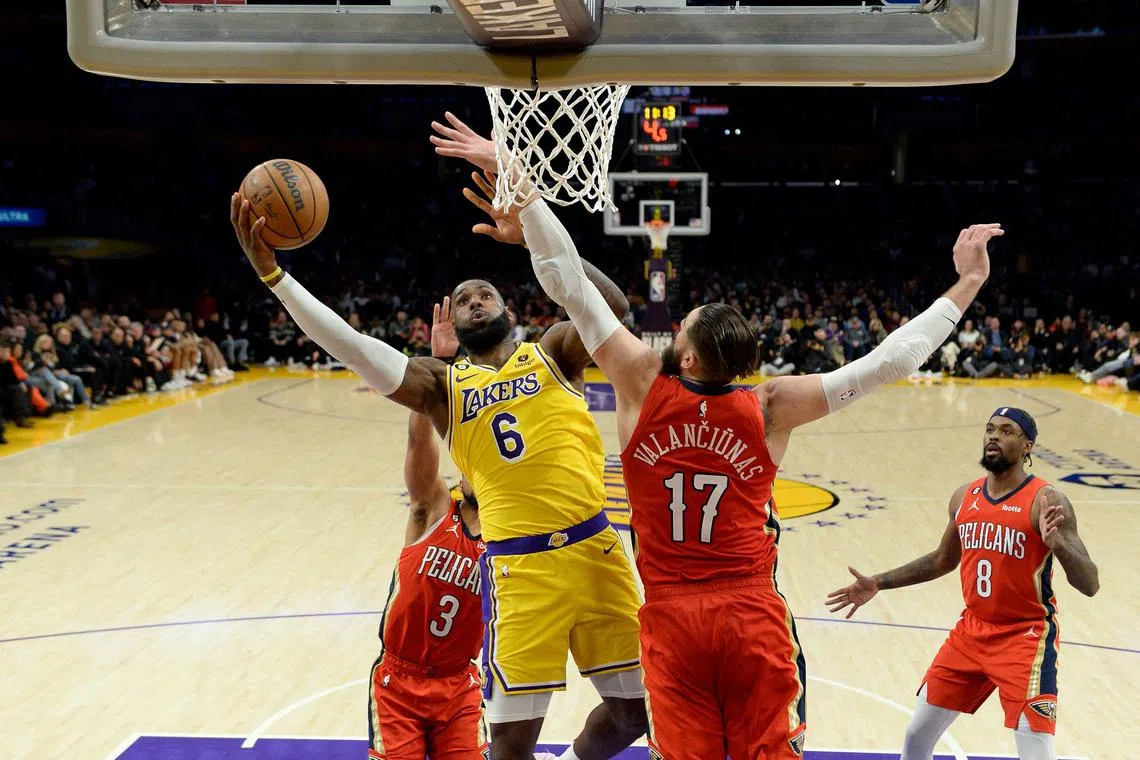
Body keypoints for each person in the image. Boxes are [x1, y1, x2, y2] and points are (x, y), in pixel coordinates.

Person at [468, 164, 1000, 758]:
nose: (674, 329)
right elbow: (888, 362)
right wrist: (968, 283)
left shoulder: (644, 382)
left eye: (683, 328)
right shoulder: (768, 406)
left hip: (672, 616)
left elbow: (568, 282)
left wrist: (526, 192)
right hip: (751, 613)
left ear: (689, 358)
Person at [230, 168, 647, 760]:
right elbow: (352, 345)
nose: (475, 301)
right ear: (453, 320)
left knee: (636, 712)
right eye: (464, 298)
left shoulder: (554, 350)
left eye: (486, 294)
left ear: (510, 308)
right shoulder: (440, 386)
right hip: (519, 566)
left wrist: (532, 236)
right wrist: (276, 278)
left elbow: (611, 305)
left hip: (595, 550)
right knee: (507, 742)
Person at [826, 409, 1099, 760]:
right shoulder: (964, 497)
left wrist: (1057, 543)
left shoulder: (1046, 501)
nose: (994, 436)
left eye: (1006, 430)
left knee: (1036, 753)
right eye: (989, 429)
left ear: (1028, 445)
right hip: (970, 633)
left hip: (1025, 638)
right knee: (917, 735)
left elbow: (1090, 583)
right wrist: (879, 582)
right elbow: (942, 559)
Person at [370, 301, 488, 760]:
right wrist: (437, 368)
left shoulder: (509, 532)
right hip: (398, 681)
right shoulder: (435, 509)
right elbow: (420, 442)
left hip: (460, 683)